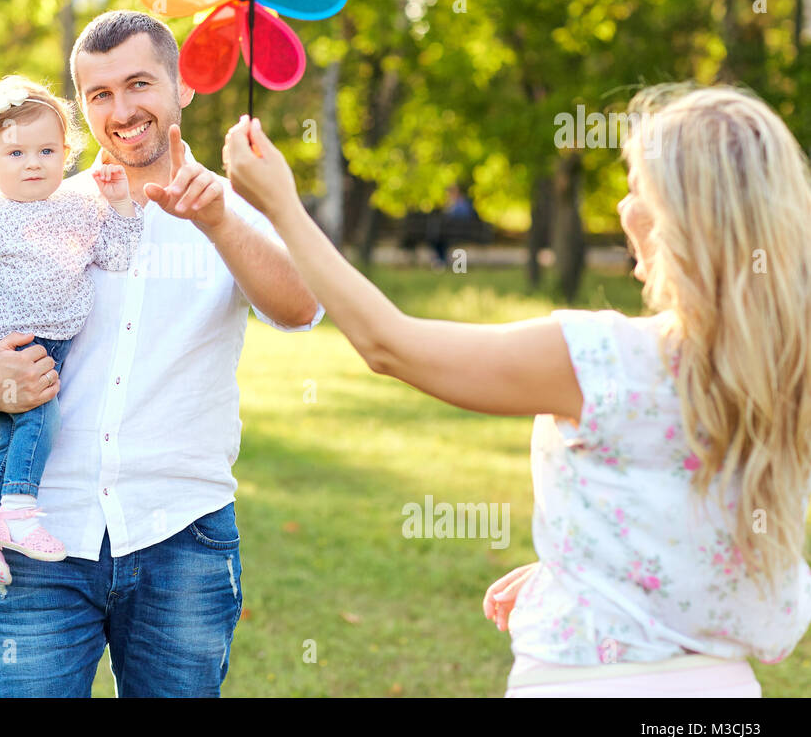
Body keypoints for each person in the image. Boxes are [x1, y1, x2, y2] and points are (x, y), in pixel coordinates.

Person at [222, 84, 811, 697]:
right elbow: (701, 525)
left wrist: (283, 207)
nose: (623, 207)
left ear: (679, 218)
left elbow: (388, 344)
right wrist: (586, 567)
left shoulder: (603, 360)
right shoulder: (788, 373)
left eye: (638, 188)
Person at [0, 11, 323, 697]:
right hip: (35, 539)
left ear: (183, 89)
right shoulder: (31, 206)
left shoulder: (231, 209)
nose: (122, 110)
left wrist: (219, 221)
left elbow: (299, 309)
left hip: (182, 541)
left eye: (139, 84)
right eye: (99, 95)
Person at [0, 75, 143, 585]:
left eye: (46, 150)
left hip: (51, 340)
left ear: (66, 153)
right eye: (16, 153)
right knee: (41, 421)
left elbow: (117, 254)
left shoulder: (80, 207)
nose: (33, 163)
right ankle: (18, 512)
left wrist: (120, 207)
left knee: (17, 431)